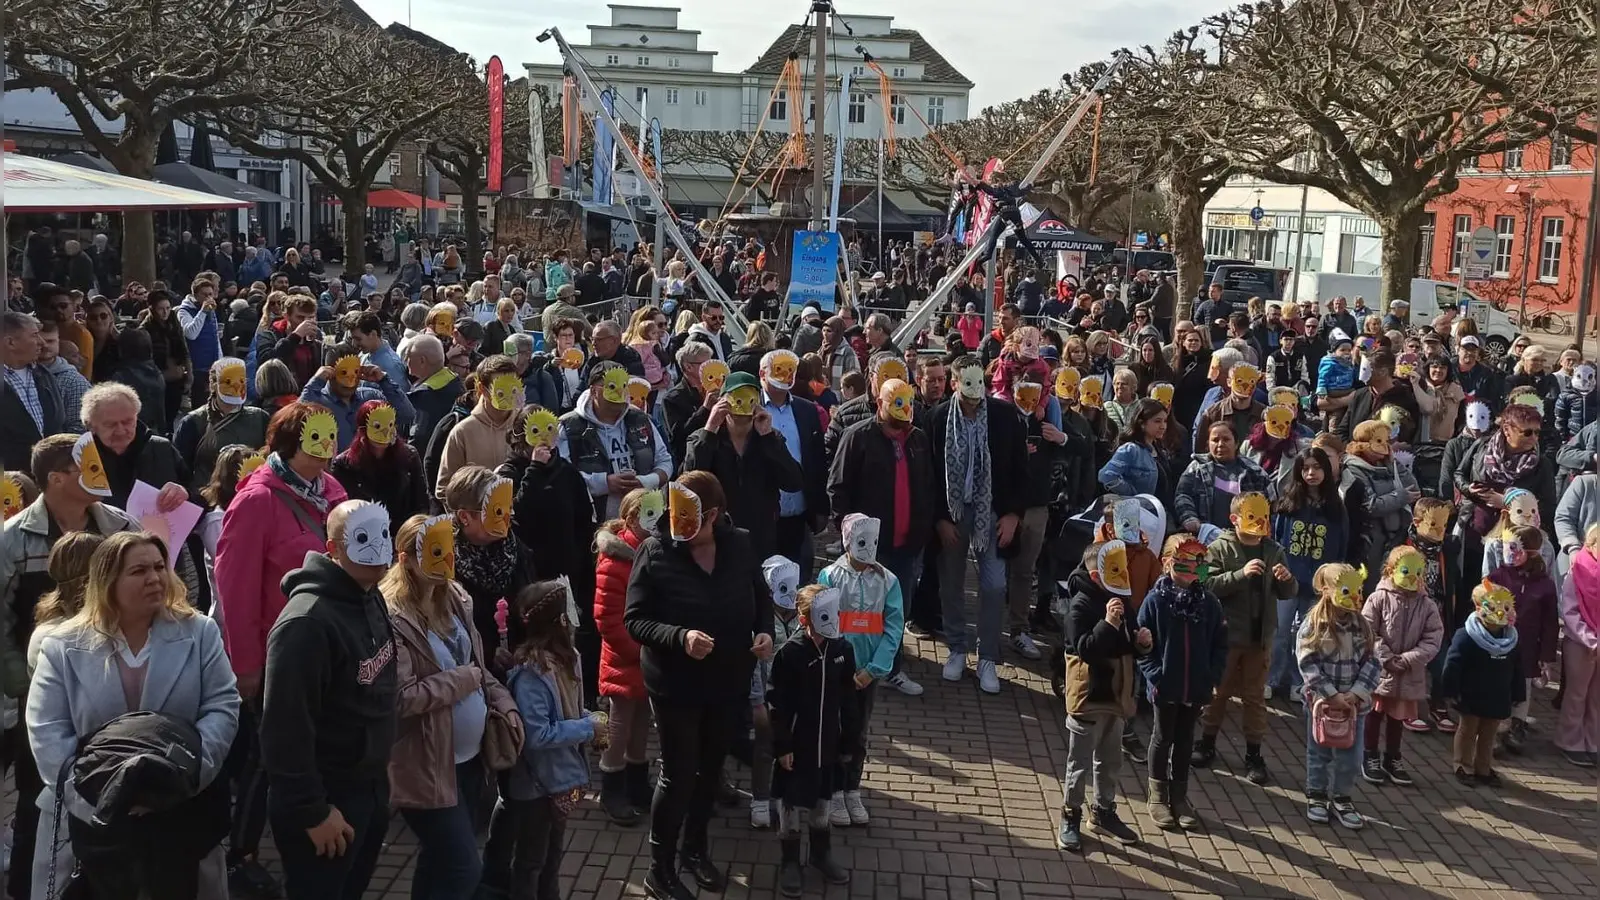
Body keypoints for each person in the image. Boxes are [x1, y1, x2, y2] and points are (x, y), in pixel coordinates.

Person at [26, 531, 241, 900]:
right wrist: (107, 797)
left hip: (182, 812)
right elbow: (47, 734)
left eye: (160, 566)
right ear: (108, 581)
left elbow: (222, 706)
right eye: (139, 570)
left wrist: (183, 778)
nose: (155, 578)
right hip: (90, 822)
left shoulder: (199, 633)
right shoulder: (62, 647)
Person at [623, 471, 773, 900]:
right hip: (676, 686)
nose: (681, 527)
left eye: (692, 518)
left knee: (710, 771)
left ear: (715, 514)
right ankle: (660, 868)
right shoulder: (655, 552)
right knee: (678, 775)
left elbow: (760, 598)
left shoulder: (739, 544)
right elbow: (635, 620)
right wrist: (680, 637)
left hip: (728, 680)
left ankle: (695, 849)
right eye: (675, 515)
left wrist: (763, 633)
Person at [261, 500, 398, 900]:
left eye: (383, 535)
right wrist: (313, 812)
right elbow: (284, 731)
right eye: (362, 539)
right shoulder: (306, 624)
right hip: (327, 801)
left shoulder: (370, 596)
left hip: (368, 789)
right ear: (333, 548)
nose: (378, 550)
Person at [382, 511, 518, 900]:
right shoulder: (394, 618)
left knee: (438, 858)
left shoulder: (456, 598)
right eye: (435, 552)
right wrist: (464, 681)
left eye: (450, 551)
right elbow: (402, 697)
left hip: (469, 760)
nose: (447, 562)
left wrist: (503, 702)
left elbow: (477, 666)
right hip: (426, 766)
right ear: (406, 558)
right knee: (463, 869)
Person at [480, 581, 600, 900]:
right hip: (535, 786)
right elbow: (538, 734)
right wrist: (587, 726)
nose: (576, 616)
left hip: (559, 778)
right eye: (570, 611)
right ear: (559, 621)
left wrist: (590, 718)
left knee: (553, 853)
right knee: (531, 860)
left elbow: (568, 711)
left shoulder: (569, 659)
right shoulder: (533, 673)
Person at [929, 357, 1028, 695]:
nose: (975, 398)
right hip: (954, 513)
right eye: (967, 390)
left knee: (994, 584)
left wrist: (1013, 514)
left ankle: (987, 655)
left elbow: (1019, 468)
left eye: (980, 390)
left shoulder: (1003, 417)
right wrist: (940, 517)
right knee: (951, 582)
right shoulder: (938, 418)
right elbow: (929, 473)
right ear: (954, 383)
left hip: (993, 511)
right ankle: (957, 647)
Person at [1191, 492, 1298, 783]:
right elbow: (1201, 581)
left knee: (1254, 698)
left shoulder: (1274, 550)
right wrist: (1239, 575)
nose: (1259, 523)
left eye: (1263, 516)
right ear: (1234, 519)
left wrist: (1286, 581)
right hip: (1226, 637)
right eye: (1252, 516)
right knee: (1218, 693)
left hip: (1259, 638)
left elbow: (1288, 593)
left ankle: (1253, 753)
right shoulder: (1216, 547)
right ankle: (1206, 742)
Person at [767, 584, 859, 897]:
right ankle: (790, 860)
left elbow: (849, 701)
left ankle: (820, 854)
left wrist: (849, 743)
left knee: (823, 803)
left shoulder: (842, 650)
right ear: (805, 620)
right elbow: (777, 705)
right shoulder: (790, 654)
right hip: (797, 747)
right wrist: (783, 747)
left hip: (828, 747)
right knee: (790, 804)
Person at [1057, 540, 1147, 853]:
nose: (1122, 577)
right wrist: (1108, 623)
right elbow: (1085, 649)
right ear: (1097, 576)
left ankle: (1104, 812)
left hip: (1117, 698)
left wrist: (1143, 643)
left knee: (1110, 761)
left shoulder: (1123, 599)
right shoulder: (1079, 606)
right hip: (1089, 696)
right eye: (1114, 572)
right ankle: (1071, 814)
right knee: (1079, 763)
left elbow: (1130, 643)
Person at [814, 514, 902, 827]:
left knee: (859, 731)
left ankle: (852, 788)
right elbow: (823, 622)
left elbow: (893, 627)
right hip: (838, 672)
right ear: (849, 542)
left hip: (868, 674)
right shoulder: (829, 576)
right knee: (834, 729)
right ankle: (835, 790)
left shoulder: (888, 581)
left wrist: (874, 669)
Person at [1136, 536, 1227, 833]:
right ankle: (1158, 795)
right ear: (1168, 563)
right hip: (1166, 686)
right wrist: (1157, 676)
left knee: (1186, 740)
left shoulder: (1209, 603)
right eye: (1182, 563)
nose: (1190, 570)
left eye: (1197, 563)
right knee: (1162, 738)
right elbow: (1143, 644)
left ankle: (1180, 796)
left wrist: (1211, 677)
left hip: (1196, 687)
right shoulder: (1156, 601)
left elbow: (1219, 644)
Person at [682, 371, 803, 560]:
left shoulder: (770, 438)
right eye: (736, 398)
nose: (743, 406)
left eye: (750, 399)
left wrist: (768, 438)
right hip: (718, 536)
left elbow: (793, 482)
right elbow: (689, 482)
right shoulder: (703, 438)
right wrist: (710, 429)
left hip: (761, 536)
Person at [1296, 563, 1381, 829]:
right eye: (1347, 590)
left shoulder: (1361, 625)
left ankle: (1342, 797)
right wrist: (1330, 695)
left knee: (1350, 756)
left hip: (1354, 707)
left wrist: (1356, 694)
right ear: (1326, 590)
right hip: (1321, 704)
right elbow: (1306, 662)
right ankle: (1317, 795)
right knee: (1319, 751)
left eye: (1358, 590)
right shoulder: (1314, 623)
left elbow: (1372, 662)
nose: (1355, 597)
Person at [592, 490, 658, 825]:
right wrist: (642, 650)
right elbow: (607, 621)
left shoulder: (652, 552)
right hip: (625, 658)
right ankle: (612, 787)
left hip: (646, 656)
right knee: (619, 725)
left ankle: (636, 781)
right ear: (631, 518)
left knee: (642, 723)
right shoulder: (615, 561)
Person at [1360, 546, 1444, 787]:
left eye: (1418, 572)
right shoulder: (1378, 598)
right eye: (1406, 570)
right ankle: (1369, 755)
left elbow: (1433, 637)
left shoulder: (1426, 605)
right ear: (1391, 569)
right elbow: (1367, 630)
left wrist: (1409, 659)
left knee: (1398, 717)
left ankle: (1393, 757)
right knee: (1374, 714)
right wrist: (1384, 656)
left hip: (1408, 673)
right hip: (1380, 670)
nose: (1413, 578)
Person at [1269, 448, 1348, 702]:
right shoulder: (1289, 504)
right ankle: (1272, 678)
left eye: (1316, 467)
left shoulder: (1336, 509)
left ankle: (1298, 681)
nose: (1311, 473)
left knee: (1306, 634)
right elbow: (1276, 540)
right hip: (1286, 580)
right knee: (1280, 631)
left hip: (1316, 585)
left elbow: (1341, 547)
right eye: (1305, 468)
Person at [558, 361, 673, 522]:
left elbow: (665, 461)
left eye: (624, 385)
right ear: (593, 391)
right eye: (611, 387)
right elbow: (561, 476)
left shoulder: (640, 419)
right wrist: (603, 483)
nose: (619, 392)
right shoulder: (569, 427)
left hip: (643, 521)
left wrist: (645, 482)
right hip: (593, 523)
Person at [1440, 579, 1523, 786]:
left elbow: (1517, 668)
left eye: (1505, 607)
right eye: (1494, 607)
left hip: (1498, 696)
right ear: (1479, 608)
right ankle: (1462, 764)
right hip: (1471, 694)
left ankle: (1483, 768)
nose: (1500, 613)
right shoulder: (1467, 636)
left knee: (1489, 734)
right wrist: (1450, 689)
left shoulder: (1511, 640)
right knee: (1468, 730)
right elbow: (1453, 663)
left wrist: (1518, 693)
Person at [1486, 524, 1558, 754]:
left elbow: (1550, 623)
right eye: (1505, 546)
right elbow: (1483, 598)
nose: (1507, 552)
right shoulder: (1499, 575)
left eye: (1513, 547)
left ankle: (1516, 726)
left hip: (1527, 649)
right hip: (1500, 645)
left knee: (1523, 690)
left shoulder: (1545, 585)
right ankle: (1494, 730)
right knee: (1500, 687)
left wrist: (1546, 657)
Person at [1342, 420, 1422, 586]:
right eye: (1379, 441)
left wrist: (1394, 463)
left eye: (1386, 440)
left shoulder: (1385, 464)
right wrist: (1400, 497)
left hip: (1395, 539)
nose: (1385, 446)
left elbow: (1414, 489)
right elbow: (1371, 505)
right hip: (1371, 542)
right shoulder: (1354, 469)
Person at [174, 358, 271, 493]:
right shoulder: (192, 422)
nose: (237, 386)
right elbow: (180, 470)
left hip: (250, 497)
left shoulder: (261, 418)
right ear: (212, 384)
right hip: (207, 501)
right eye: (228, 382)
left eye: (242, 381)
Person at [330, 399, 430, 526]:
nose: (384, 432)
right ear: (363, 429)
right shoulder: (344, 465)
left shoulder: (409, 456)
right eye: (377, 426)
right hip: (365, 534)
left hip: (403, 533)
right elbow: (342, 510)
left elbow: (421, 502)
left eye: (390, 425)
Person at [435, 355, 522, 499]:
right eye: (500, 389)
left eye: (513, 387)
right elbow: (444, 489)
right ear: (482, 388)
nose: (508, 395)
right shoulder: (463, 432)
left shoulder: (525, 426)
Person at [1175, 422, 1272, 538]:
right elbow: (1182, 495)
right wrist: (1190, 519)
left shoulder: (1255, 472)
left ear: (1236, 444)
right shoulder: (1196, 468)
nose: (1220, 444)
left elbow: (1270, 503)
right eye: (1215, 440)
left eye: (1226, 439)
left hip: (1244, 540)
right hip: (1203, 538)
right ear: (1208, 444)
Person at [1557, 524, 1600, 767]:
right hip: (1580, 644)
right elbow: (1570, 612)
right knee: (1577, 694)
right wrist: (1590, 639)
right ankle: (1570, 741)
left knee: (1596, 697)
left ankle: (1593, 742)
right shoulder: (1577, 573)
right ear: (1591, 545)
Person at [2, 313, 68, 472]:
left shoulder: (44, 375)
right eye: (34, 335)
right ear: (10, 342)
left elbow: (58, 425)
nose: (42, 343)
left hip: (50, 478)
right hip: (9, 486)